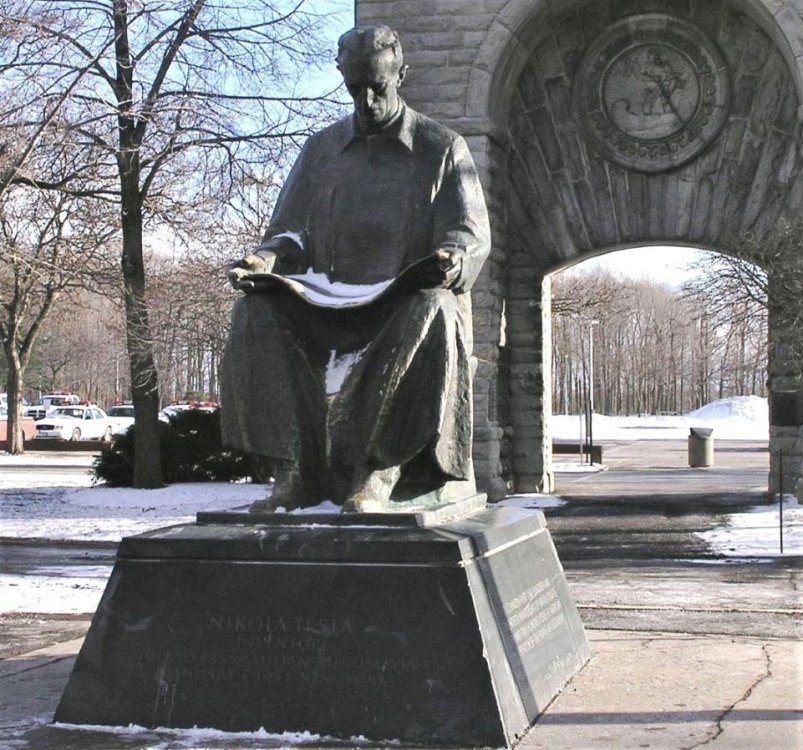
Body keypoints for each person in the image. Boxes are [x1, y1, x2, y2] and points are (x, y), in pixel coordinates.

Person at [221, 25, 490, 512]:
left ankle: (378, 472)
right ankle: (294, 471)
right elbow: (289, 236)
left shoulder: (442, 148)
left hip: (400, 308)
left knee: (433, 306)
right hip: (324, 304)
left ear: (401, 75)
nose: (366, 101)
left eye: (378, 88)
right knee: (253, 313)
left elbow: (468, 235)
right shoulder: (320, 152)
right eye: (354, 88)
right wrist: (263, 260)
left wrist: (451, 259)